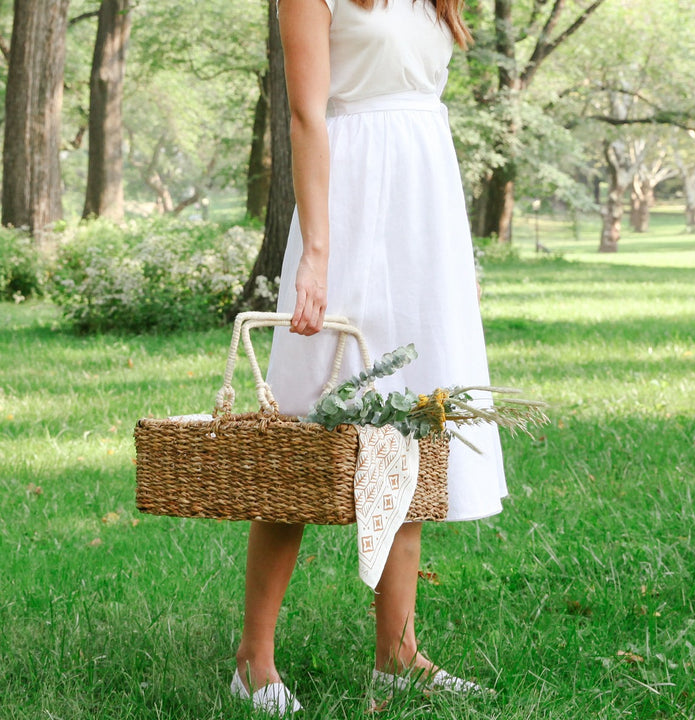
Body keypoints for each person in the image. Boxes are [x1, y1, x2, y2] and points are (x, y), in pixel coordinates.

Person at [230, 0, 507, 713]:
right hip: (349, 203)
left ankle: (398, 654)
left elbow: (421, 109)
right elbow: (306, 116)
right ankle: (252, 660)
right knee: (303, 434)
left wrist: (451, 254)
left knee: (414, 424)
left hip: (422, 209)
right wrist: (317, 255)